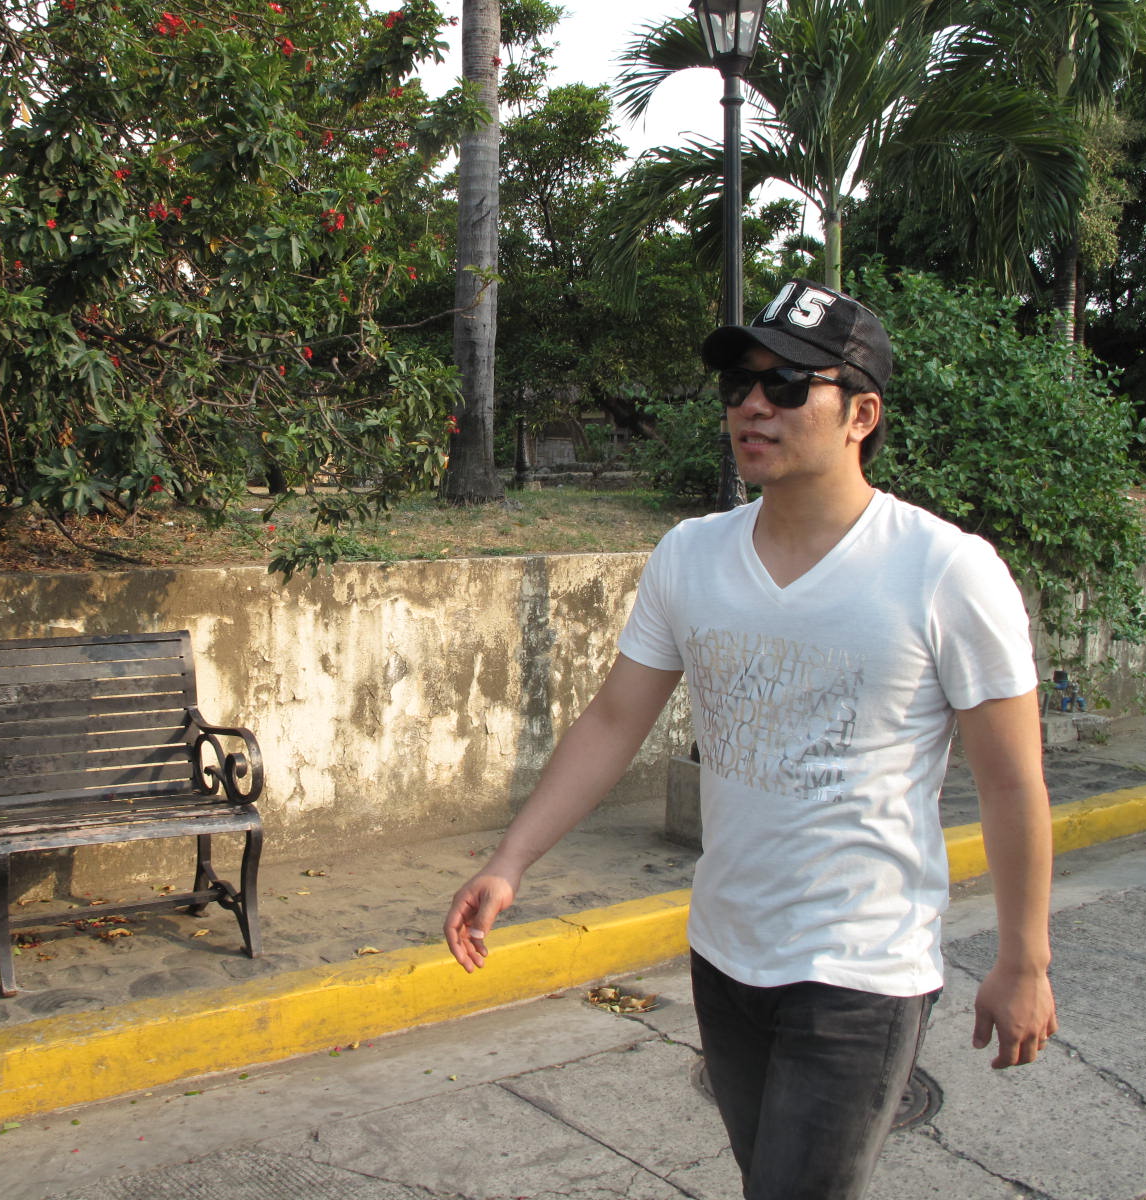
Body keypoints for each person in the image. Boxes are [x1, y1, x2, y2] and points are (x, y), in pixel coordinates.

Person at [443, 280, 1057, 1200]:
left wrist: (1023, 961)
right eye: (739, 385)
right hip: (724, 952)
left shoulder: (945, 572)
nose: (753, 406)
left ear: (861, 415)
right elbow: (614, 719)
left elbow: (1012, 783)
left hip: (863, 967)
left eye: (788, 384)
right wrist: (510, 862)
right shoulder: (691, 556)